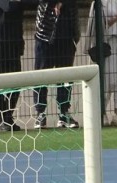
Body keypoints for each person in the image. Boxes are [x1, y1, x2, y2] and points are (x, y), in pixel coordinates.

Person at [33, 0, 82, 129]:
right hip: (45, 33)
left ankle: (64, 113)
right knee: (41, 76)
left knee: (65, 77)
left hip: (67, 33)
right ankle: (40, 113)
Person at [0, 0, 25, 131]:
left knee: (16, 83)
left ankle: (8, 116)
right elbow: (9, 7)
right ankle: (2, 119)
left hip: (13, 44)